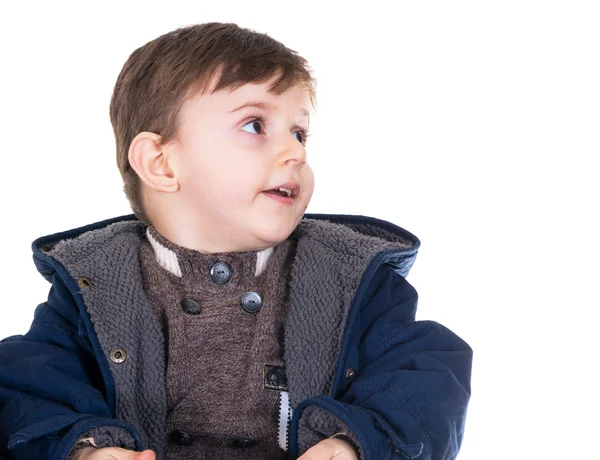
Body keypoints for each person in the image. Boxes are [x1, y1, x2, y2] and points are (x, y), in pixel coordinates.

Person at [0, 22, 472, 460]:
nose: (296, 152)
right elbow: (30, 389)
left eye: (300, 132)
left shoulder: (349, 277)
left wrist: (356, 441)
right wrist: (86, 449)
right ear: (161, 164)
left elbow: (426, 374)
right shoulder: (95, 284)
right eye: (255, 125)